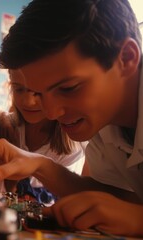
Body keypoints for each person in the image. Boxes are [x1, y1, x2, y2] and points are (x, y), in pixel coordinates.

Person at [0, 0, 143, 238]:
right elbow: (121, 201)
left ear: (126, 58)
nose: (51, 113)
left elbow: (136, 212)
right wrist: (40, 165)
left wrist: (141, 219)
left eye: (69, 88)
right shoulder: (103, 118)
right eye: (39, 93)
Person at [8, 69, 86, 205]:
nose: (28, 102)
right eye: (19, 89)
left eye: (37, 91)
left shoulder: (77, 140)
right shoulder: (4, 127)